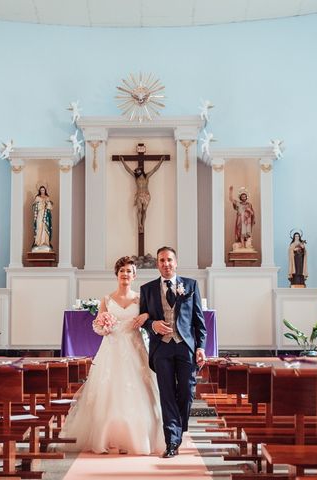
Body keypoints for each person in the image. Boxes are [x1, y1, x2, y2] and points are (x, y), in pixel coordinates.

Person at [58, 256, 164, 455]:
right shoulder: (106, 299)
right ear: (117, 274)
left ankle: (133, 439)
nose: (125, 274)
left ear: (134, 275)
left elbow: (149, 318)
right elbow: (98, 326)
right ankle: (105, 438)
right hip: (112, 348)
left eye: (129, 271)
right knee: (109, 392)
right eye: (122, 270)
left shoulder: (141, 299)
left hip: (134, 347)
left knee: (137, 392)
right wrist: (102, 326)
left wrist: (146, 316)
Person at [137, 246, 207, 458]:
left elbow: (199, 322)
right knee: (167, 394)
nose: (165, 264)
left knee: (186, 391)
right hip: (162, 348)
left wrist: (201, 347)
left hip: (185, 346)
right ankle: (172, 442)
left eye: (169, 260)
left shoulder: (191, 285)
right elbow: (143, 318)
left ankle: (178, 428)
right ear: (157, 264)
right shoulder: (147, 289)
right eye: (161, 261)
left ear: (176, 262)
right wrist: (153, 325)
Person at [119, 155, 166, 233]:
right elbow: (128, 170)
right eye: (136, 171)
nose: (137, 172)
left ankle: (143, 225)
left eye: (138, 170)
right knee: (139, 209)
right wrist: (123, 161)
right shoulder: (136, 177)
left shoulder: (147, 176)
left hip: (146, 195)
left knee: (144, 210)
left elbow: (155, 169)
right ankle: (139, 224)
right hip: (139, 195)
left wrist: (161, 161)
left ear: (141, 171)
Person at [31, 186, 53, 252]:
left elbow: (50, 207)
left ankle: (45, 242)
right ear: (39, 191)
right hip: (39, 214)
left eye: (43, 190)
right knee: (39, 227)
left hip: (46, 215)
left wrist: (48, 203)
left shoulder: (47, 197)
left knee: (45, 227)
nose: (42, 191)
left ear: (45, 190)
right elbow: (33, 207)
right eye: (41, 190)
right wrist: (40, 204)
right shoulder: (37, 198)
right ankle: (38, 243)